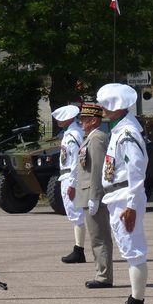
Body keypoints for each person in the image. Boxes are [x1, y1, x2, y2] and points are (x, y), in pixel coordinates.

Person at [97, 83, 149, 304]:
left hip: (125, 197)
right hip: (117, 197)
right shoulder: (120, 129)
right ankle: (135, 302)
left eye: (105, 105)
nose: (102, 108)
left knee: (134, 251)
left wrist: (131, 204)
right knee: (129, 251)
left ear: (115, 107)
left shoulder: (127, 133)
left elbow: (136, 170)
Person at [74, 103, 113, 288]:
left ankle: (103, 277)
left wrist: (95, 196)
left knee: (100, 237)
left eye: (85, 119)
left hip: (93, 194)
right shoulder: (90, 137)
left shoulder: (96, 138)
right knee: (95, 236)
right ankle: (100, 273)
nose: (81, 122)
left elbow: (98, 169)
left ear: (94, 120)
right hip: (88, 193)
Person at [51, 104, 86, 263]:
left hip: (70, 177)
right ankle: (79, 248)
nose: (58, 121)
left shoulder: (72, 135)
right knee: (75, 214)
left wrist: (72, 183)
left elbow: (74, 162)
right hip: (66, 177)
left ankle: (79, 250)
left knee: (76, 214)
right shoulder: (72, 133)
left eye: (61, 118)